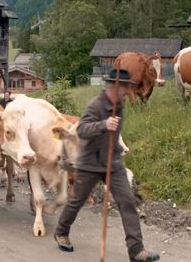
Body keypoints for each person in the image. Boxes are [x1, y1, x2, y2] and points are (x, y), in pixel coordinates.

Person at [54, 68, 160, 262]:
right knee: (76, 201)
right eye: (126, 87)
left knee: (128, 202)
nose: (129, 91)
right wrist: (103, 124)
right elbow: (83, 129)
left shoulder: (120, 105)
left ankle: (136, 250)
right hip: (90, 163)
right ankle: (61, 231)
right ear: (115, 86)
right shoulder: (95, 105)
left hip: (113, 162)